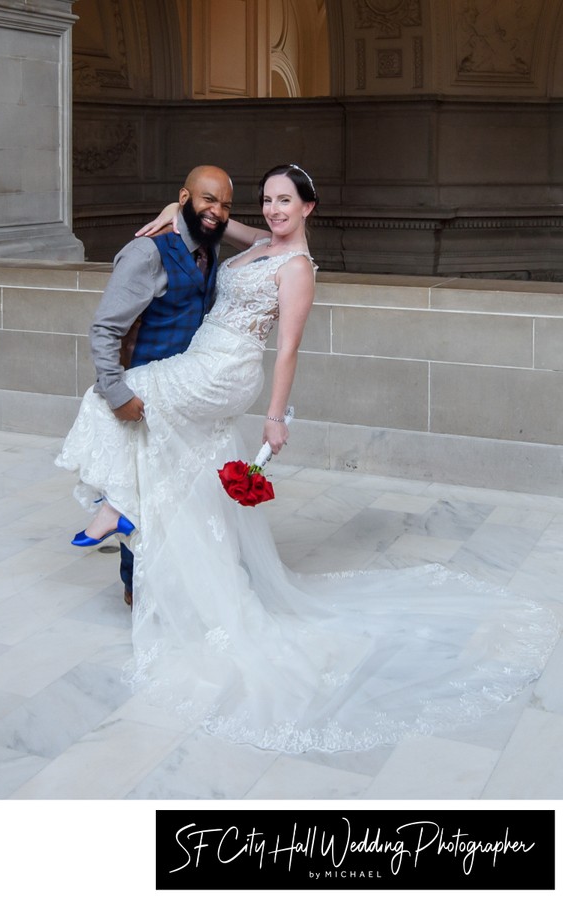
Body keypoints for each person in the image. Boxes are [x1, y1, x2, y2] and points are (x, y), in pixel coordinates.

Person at [56, 164, 559, 754]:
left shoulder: (296, 267)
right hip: (205, 359)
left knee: (116, 396)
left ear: (308, 208)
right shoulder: (262, 242)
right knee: (161, 444)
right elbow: (219, 221)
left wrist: (274, 415)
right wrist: (178, 210)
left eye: (285, 202)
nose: (273, 210)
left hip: (227, 370)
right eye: (267, 200)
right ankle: (154, 545)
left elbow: (288, 347)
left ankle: (117, 505)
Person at [84, 164, 234, 607]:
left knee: (183, 494)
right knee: (144, 497)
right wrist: (117, 396)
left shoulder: (209, 246)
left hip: (187, 397)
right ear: (185, 199)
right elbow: (104, 330)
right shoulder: (147, 253)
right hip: (145, 399)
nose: (217, 211)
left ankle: (181, 582)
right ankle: (141, 591)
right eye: (208, 199)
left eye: (225, 204)